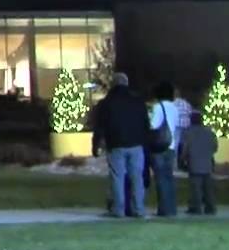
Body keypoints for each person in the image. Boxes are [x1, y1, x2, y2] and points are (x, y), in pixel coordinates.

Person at [92, 73, 149, 218]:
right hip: (136, 144)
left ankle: (118, 209)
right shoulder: (138, 102)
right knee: (137, 177)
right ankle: (139, 209)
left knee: (117, 177)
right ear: (126, 83)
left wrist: (95, 145)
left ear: (113, 84)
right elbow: (145, 124)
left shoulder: (106, 103)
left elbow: (99, 126)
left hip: (116, 144)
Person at [146, 81, 180, 217]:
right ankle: (172, 208)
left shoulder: (158, 107)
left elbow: (153, 126)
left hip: (160, 146)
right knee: (169, 178)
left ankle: (164, 209)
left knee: (160, 178)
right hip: (171, 146)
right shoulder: (175, 107)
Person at [179, 111, 218, 215]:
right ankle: (210, 207)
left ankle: (196, 207)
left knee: (195, 187)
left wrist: (182, 159)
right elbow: (215, 147)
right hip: (207, 162)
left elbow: (185, 148)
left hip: (194, 162)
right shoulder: (210, 132)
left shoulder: (187, 132)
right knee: (208, 187)